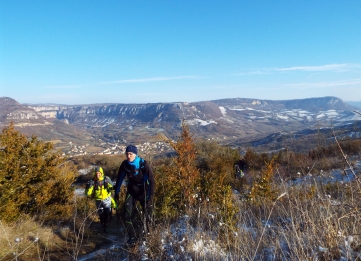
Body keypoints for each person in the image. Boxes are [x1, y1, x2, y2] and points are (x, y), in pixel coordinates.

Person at [114, 145, 155, 245]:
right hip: (131, 191)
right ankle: (132, 237)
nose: (128, 156)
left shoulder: (143, 164)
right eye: (127, 154)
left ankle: (151, 235)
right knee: (126, 215)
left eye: (131, 154)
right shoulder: (124, 165)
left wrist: (150, 196)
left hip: (143, 191)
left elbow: (152, 181)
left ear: (135, 154)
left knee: (148, 215)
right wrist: (116, 192)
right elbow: (119, 179)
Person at [85, 166, 117, 233]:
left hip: (107, 199)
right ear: (94, 174)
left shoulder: (106, 179)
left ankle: (106, 226)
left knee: (107, 213)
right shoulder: (93, 181)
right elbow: (88, 193)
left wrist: (114, 188)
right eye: (96, 173)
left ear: (101, 173)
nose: (98, 175)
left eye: (99, 173)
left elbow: (112, 188)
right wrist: (88, 187)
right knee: (101, 214)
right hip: (98, 200)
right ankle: (103, 226)